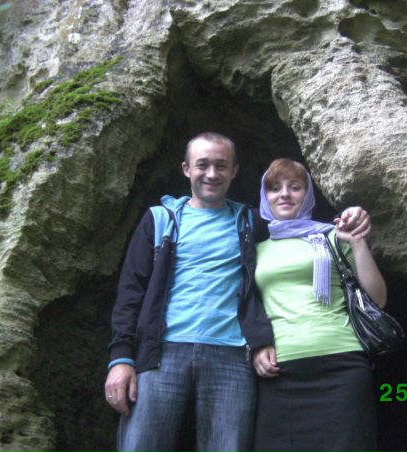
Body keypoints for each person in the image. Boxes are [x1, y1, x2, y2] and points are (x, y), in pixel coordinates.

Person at [104, 132, 369, 452]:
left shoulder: (251, 223)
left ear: (234, 171)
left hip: (232, 356)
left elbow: (295, 223)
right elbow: (130, 292)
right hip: (161, 353)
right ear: (187, 169)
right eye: (203, 165)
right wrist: (121, 358)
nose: (211, 174)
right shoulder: (160, 220)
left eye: (221, 165)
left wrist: (353, 213)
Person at [252, 158, 386, 452]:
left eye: (295, 187)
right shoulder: (255, 250)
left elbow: (377, 299)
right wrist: (257, 346)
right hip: (281, 370)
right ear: (264, 196)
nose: (284, 194)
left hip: (342, 364)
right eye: (275, 188)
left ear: (308, 194)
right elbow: (248, 307)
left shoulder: (334, 237)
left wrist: (357, 243)